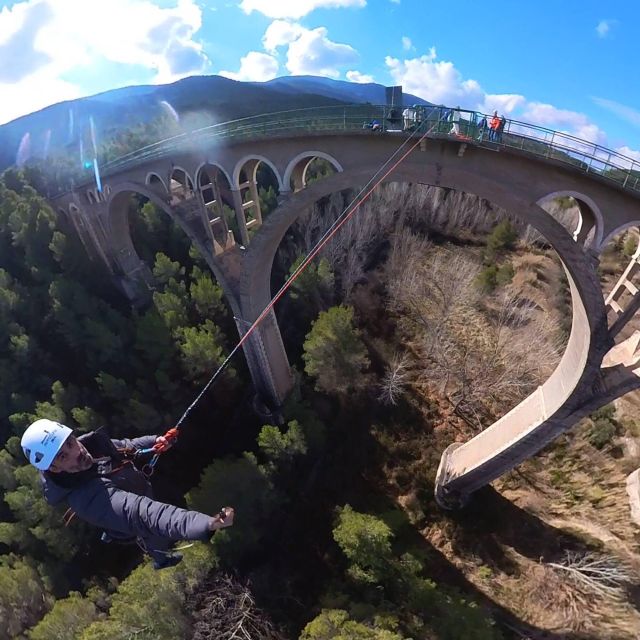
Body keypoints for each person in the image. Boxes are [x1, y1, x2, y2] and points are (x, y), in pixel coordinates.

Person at [21, 419, 234, 570]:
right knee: (154, 537)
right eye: (63, 456)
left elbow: (126, 446)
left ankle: (161, 556)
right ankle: (162, 560)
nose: (76, 452)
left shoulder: (92, 445)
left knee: (154, 523)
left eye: (70, 442)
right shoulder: (86, 499)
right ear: (55, 469)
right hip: (131, 520)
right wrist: (204, 524)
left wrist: (155, 441)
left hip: (139, 488)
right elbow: (141, 513)